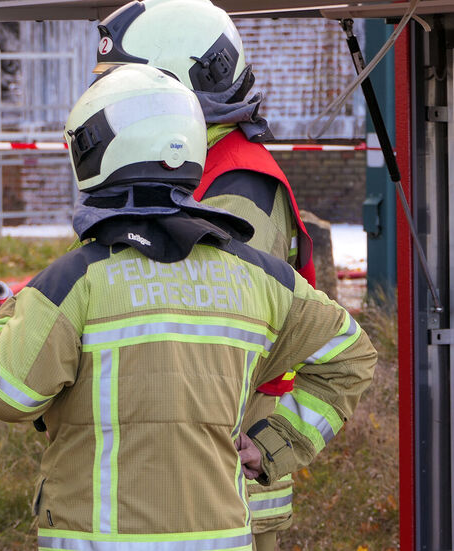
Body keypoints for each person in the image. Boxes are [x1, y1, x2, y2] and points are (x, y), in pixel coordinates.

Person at [0, 63, 376, 550]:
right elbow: (351, 356)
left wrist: (9, 316)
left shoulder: (73, 281)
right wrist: (275, 444)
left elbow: (9, 394)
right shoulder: (263, 278)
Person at [93, 1, 317, 547]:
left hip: (225, 485)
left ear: (195, 82)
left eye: (133, 87)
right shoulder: (191, 170)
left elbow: (204, 340)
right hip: (192, 472)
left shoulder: (237, 192)